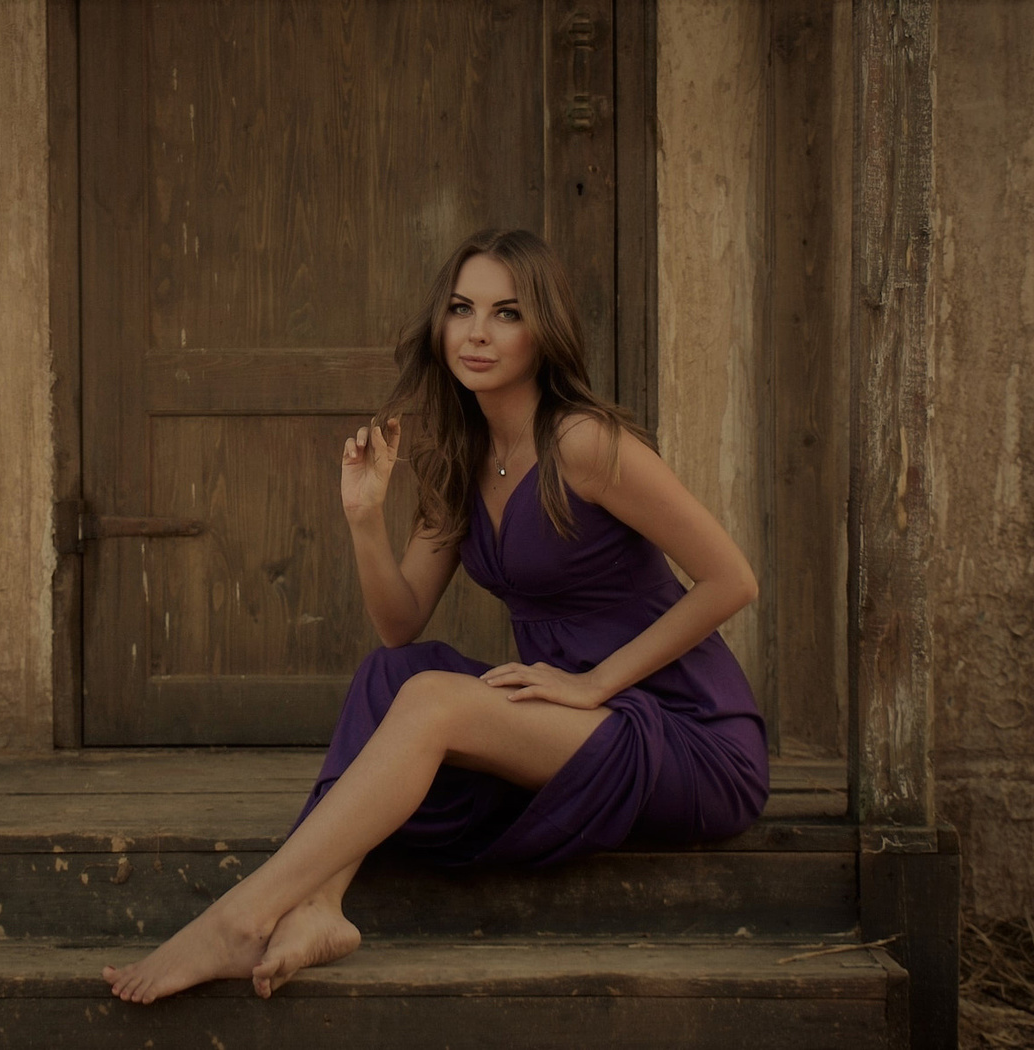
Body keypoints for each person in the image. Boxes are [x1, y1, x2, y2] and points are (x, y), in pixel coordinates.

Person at [101, 228, 769, 1004]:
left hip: (685, 737)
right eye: (462, 308)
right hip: (571, 724)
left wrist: (595, 685)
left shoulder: (586, 444)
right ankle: (318, 906)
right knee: (397, 675)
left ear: (545, 330)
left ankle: (243, 915)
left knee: (431, 701)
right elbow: (400, 623)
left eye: (507, 313)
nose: (477, 332)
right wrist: (363, 519)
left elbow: (732, 581)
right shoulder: (462, 455)